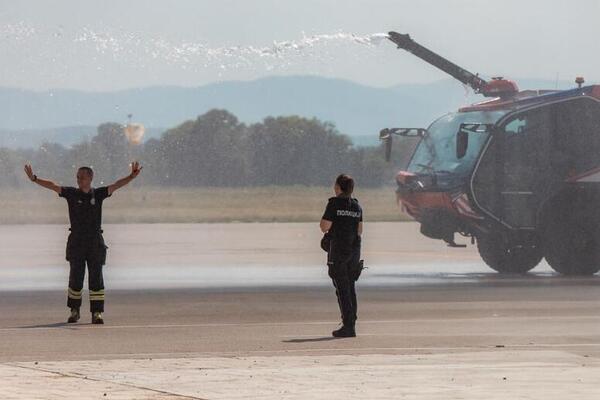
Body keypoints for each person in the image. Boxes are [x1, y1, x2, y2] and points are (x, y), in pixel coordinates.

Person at [24, 162, 142, 324]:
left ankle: (97, 313)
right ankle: (74, 310)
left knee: (96, 278)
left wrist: (131, 176)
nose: (79, 180)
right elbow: (53, 186)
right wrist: (34, 179)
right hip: (77, 242)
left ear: (91, 178)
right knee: (75, 278)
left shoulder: (99, 194)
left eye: (83, 177)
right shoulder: (71, 193)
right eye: (78, 177)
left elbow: (116, 185)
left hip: (95, 242)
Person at [320, 174, 363, 338]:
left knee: (342, 289)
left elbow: (324, 226)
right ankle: (351, 322)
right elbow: (359, 230)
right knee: (350, 288)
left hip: (338, 251)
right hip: (353, 251)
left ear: (338, 187)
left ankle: (348, 325)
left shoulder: (334, 203)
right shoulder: (356, 206)